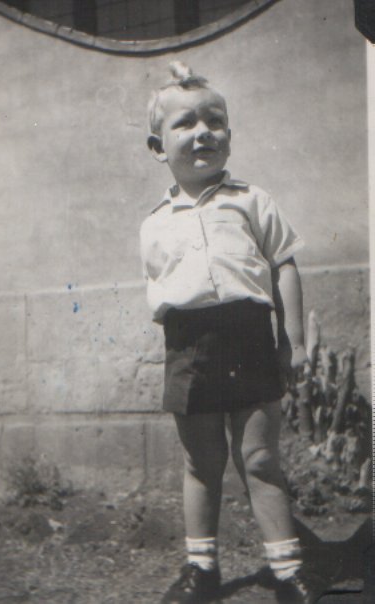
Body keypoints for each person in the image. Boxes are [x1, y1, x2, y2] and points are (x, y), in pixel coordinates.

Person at [140, 62, 324, 604]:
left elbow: (283, 265)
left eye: (214, 121)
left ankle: (287, 570)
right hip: (190, 345)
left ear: (229, 133)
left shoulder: (251, 200)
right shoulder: (154, 223)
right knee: (202, 462)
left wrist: (292, 341)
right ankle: (201, 569)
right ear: (158, 147)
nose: (203, 132)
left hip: (250, 338)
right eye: (185, 123)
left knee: (260, 458)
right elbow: (164, 294)